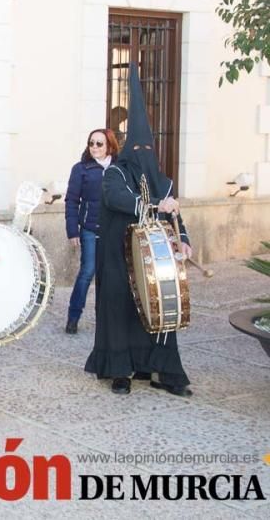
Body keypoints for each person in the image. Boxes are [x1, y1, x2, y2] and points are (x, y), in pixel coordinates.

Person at [85, 65, 193, 397]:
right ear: (130, 150)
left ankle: (161, 369)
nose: (144, 155)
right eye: (139, 149)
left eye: (149, 149)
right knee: (120, 309)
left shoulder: (163, 180)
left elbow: (175, 214)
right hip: (119, 255)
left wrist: (184, 240)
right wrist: (153, 206)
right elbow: (117, 199)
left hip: (156, 260)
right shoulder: (116, 173)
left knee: (161, 310)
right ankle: (121, 372)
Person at [63, 128, 119, 334]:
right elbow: (71, 201)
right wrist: (72, 231)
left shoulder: (118, 168)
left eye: (99, 144)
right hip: (89, 229)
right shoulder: (81, 169)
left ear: (109, 146)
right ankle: (73, 317)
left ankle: (107, 320)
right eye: (91, 143)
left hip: (113, 230)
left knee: (112, 275)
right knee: (87, 271)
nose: (94, 147)